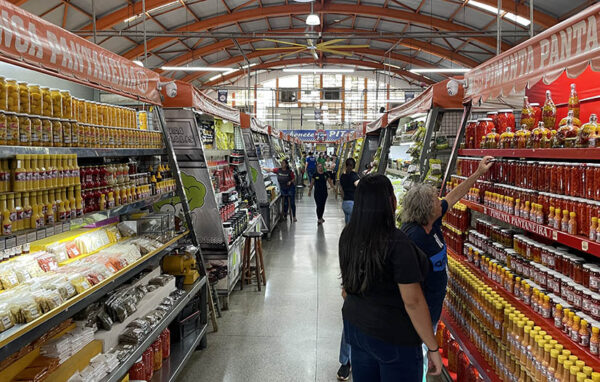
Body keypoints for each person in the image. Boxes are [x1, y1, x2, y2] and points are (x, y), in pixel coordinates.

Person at [339, 174, 442, 381]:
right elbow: (413, 302)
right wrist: (432, 347)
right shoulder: (397, 243)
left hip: (357, 330)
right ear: (391, 202)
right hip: (394, 338)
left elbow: (346, 288)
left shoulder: (348, 235)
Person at [400, 156, 493, 379]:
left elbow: (453, 197)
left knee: (420, 357)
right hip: (418, 317)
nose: (439, 201)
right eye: (434, 200)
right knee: (416, 360)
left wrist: (478, 173)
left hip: (433, 308)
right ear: (425, 209)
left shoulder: (433, 221)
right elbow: (408, 289)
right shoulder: (413, 239)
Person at [339, 158, 360, 224]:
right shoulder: (354, 175)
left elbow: (341, 189)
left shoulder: (342, 176)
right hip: (352, 203)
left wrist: (344, 198)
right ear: (353, 166)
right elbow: (359, 186)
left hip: (345, 203)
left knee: (347, 223)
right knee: (352, 225)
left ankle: (347, 234)